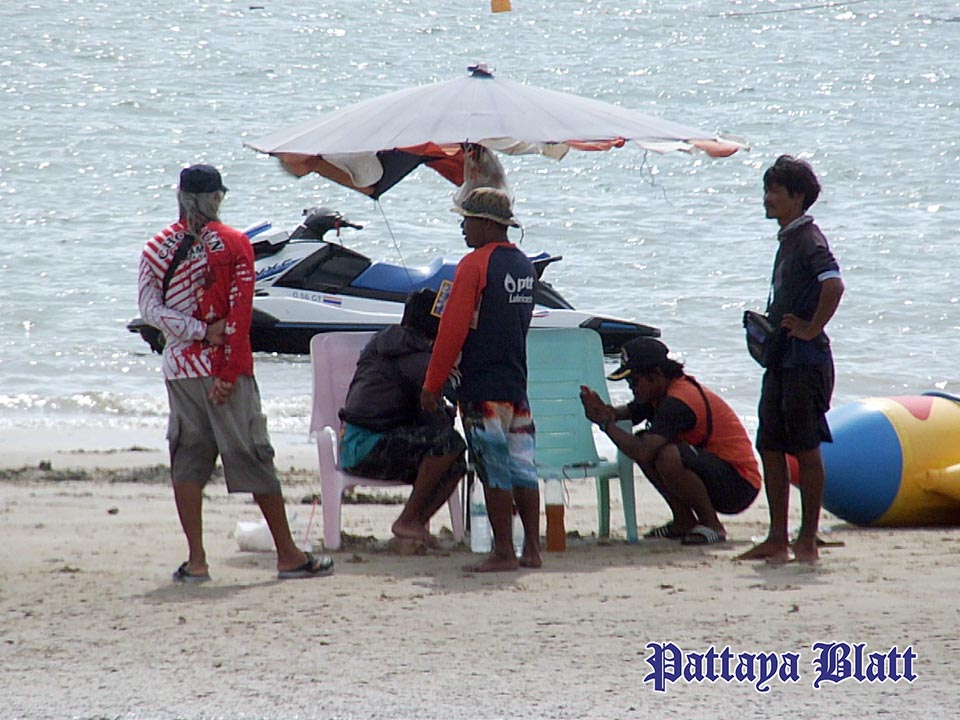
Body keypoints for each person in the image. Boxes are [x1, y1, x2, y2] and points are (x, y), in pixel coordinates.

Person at [138, 164, 334, 583]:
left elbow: (149, 310)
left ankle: (196, 561)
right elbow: (239, 316)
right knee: (252, 455)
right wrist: (228, 371)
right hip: (222, 367)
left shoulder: (155, 247)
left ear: (180, 196)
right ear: (216, 198)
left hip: (179, 370)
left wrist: (191, 330)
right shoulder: (233, 243)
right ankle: (288, 555)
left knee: (187, 460)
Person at [420, 187, 541, 573]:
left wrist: (433, 384)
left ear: (486, 224)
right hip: (516, 384)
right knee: (523, 468)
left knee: (493, 470)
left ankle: (503, 552)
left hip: (482, 387)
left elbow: (452, 331)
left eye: (466, 220)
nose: (462, 228)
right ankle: (532, 550)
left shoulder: (474, 264)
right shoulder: (523, 265)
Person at [736, 155, 844, 564]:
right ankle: (777, 537)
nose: (767, 198)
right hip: (782, 359)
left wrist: (812, 327)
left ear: (797, 197)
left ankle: (807, 540)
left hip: (806, 361)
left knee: (805, 447)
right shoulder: (789, 238)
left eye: (775, 191)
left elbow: (834, 284)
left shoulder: (809, 239)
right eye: (766, 190)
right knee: (770, 444)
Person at [580, 338, 762, 545]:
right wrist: (605, 412)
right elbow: (628, 412)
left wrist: (606, 424)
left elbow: (642, 451)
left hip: (739, 484)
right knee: (647, 442)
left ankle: (712, 525)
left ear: (657, 374)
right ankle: (684, 520)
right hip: (716, 473)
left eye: (634, 381)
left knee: (664, 454)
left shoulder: (678, 401)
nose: (632, 388)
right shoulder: (661, 392)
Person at [338, 289, 468, 548]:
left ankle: (413, 524)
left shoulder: (386, 342)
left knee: (455, 463)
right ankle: (408, 520)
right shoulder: (416, 357)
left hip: (356, 443)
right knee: (451, 444)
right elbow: (435, 418)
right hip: (367, 447)